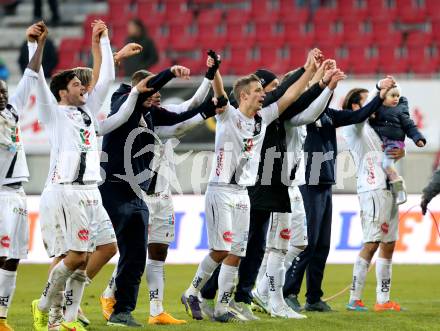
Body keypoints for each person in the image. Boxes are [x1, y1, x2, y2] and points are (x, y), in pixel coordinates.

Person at [181, 54, 318, 323]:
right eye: (257, 91)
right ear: (244, 95)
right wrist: (216, 70)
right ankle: (192, 291)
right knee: (221, 250)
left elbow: (289, 96)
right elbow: (219, 91)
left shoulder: (262, 119)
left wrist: (309, 71)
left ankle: (222, 308)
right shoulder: (227, 115)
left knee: (237, 253)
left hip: (243, 192)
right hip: (220, 189)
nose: (262, 95)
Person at [29, 21, 140, 331]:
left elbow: (105, 76)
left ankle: (66, 317)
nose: (85, 87)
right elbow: (37, 78)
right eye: (78, 84)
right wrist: (34, 46)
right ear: (63, 91)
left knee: (107, 247)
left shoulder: (88, 110)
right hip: (68, 190)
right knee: (76, 256)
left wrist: (102, 39)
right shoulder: (53, 114)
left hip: (93, 192)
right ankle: (47, 307)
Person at [99, 51, 223, 325]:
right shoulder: (122, 104)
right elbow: (182, 114)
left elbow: (188, 111)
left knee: (147, 252)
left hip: (149, 192)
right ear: (140, 90)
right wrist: (169, 73)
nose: (157, 95)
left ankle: (144, 310)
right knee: (113, 250)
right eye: (152, 90)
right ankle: (92, 298)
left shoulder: (154, 116)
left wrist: (210, 87)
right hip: (117, 188)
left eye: (158, 92)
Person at [282, 75, 392, 313]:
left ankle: (313, 297)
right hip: (308, 182)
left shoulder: (330, 115)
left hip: (325, 181)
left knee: (322, 244)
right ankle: (289, 292)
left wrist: (379, 93)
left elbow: (358, 115)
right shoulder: (303, 115)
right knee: (307, 243)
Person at [253, 65, 346, 319]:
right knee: (277, 246)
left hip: (293, 185)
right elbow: (308, 111)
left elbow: (310, 103)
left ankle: (262, 290)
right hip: (278, 185)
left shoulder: (295, 111)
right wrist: (325, 86)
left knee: (297, 243)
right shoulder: (285, 115)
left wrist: (325, 85)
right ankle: (271, 297)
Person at [343, 82, 407, 312]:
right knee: (371, 243)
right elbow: (367, 109)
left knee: (389, 244)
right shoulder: (353, 125)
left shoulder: (375, 128)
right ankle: (354, 298)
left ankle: (383, 300)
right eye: (370, 100)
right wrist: (379, 89)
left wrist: (400, 153)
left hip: (388, 188)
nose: (377, 105)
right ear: (356, 105)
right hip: (372, 190)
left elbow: (385, 157)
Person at [0, 22, 46, 331]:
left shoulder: (11, 114)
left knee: (13, 256)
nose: (3, 94)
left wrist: (36, 45)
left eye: (3, 90)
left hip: (17, 192)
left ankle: (1, 318)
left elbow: (29, 79)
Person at [369, 85, 426, 205]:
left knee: (386, 164)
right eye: (392, 96)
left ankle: (400, 190)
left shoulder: (400, 110)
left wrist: (418, 138)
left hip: (394, 143)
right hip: (381, 144)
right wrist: (371, 115)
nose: (396, 98)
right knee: (381, 165)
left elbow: (410, 126)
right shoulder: (376, 110)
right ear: (383, 97)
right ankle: (392, 189)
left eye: (397, 96)